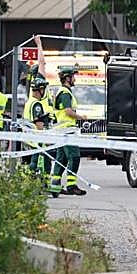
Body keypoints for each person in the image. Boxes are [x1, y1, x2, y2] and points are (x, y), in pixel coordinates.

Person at [23, 77, 61, 197]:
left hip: (29, 138)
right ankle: (41, 185)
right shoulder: (37, 104)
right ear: (40, 90)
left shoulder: (29, 102)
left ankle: (30, 184)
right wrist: (45, 135)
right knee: (41, 163)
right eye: (44, 89)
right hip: (37, 139)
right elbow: (39, 124)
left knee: (33, 163)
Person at [52, 66, 86, 195]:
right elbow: (68, 111)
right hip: (67, 130)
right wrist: (80, 117)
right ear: (67, 78)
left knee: (61, 158)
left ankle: (55, 186)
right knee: (74, 156)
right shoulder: (65, 93)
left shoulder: (62, 92)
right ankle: (71, 185)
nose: (74, 79)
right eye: (73, 76)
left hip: (61, 130)